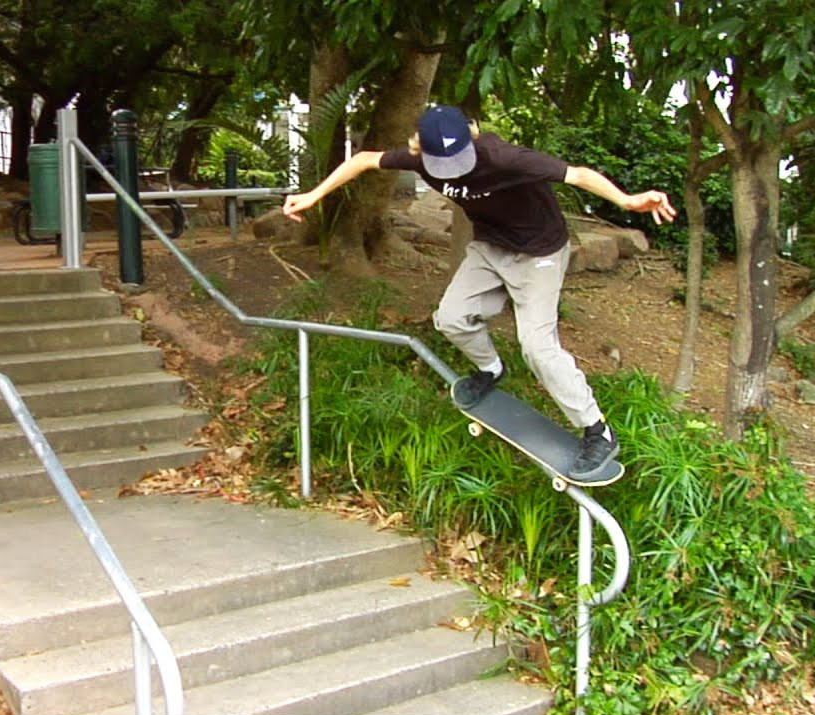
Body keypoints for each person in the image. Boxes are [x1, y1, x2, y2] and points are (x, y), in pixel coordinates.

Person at [283, 105, 676, 482]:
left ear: (471, 139)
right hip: (490, 248)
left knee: (538, 348)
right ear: (421, 149)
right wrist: (314, 195)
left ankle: (597, 432)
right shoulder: (418, 157)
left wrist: (627, 200)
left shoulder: (505, 157)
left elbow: (578, 174)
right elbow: (365, 158)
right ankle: (491, 369)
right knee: (450, 319)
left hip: (538, 252)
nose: (454, 171)